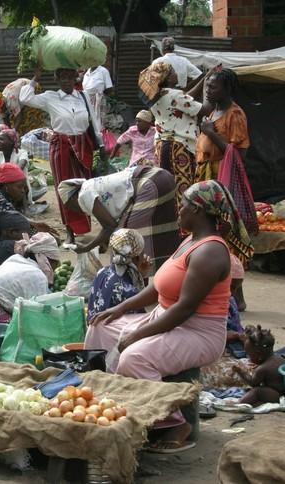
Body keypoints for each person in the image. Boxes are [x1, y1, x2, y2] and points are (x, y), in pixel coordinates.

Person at [85, 180, 254, 452]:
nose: (179, 209)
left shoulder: (210, 251)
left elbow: (184, 308)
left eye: (184, 204)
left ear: (198, 210)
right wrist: (120, 308)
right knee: (100, 328)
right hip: (167, 317)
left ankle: (174, 424)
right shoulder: (189, 241)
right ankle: (119, 400)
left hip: (197, 332)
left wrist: (135, 336)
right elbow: (158, 286)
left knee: (134, 356)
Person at [20, 67, 107, 238]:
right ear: (57, 80)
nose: (66, 80)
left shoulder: (83, 97)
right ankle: (69, 230)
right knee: (64, 187)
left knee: (85, 186)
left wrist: (102, 145)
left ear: (75, 78)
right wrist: (35, 78)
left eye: (69, 76)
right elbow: (25, 98)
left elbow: (94, 121)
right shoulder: (50, 97)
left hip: (83, 146)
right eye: (62, 77)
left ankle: (85, 224)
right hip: (61, 146)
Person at [57, 166, 179, 270]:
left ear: (72, 198)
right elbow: (114, 222)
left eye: (69, 205)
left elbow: (110, 227)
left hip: (150, 183)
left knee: (125, 240)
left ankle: (132, 286)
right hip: (164, 178)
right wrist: (101, 243)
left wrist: (86, 247)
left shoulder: (84, 194)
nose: (73, 210)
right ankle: (169, 274)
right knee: (161, 232)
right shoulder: (92, 186)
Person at [138, 62, 210, 213]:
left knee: (166, 188)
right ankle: (184, 229)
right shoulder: (174, 95)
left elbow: (184, 98)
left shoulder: (156, 95)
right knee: (182, 189)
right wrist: (208, 87)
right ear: (167, 77)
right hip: (178, 147)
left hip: (161, 146)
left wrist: (203, 79)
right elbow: (204, 109)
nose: (176, 74)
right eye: (173, 72)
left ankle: (168, 224)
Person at [195, 68, 250, 182]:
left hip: (222, 176)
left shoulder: (235, 115)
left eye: (213, 87)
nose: (207, 91)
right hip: (206, 174)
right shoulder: (214, 111)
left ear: (227, 89)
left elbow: (239, 156)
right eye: (207, 86)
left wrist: (210, 133)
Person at [87, 229, 151, 324]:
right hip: (116, 337)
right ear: (137, 257)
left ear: (113, 251)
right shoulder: (129, 292)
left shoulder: (101, 272)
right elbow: (140, 324)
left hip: (95, 333)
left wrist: (141, 275)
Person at [233, 325, 285, 406]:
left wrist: (240, 372)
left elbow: (253, 383)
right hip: (280, 391)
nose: (249, 358)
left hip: (277, 394)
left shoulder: (262, 369)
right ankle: (259, 403)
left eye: (249, 355)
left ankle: (240, 403)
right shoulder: (280, 358)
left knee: (257, 391)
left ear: (259, 355)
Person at [0, 127, 32, 206]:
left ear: (11, 142)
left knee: (17, 182)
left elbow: (18, 170)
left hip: (20, 191)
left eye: (1, 139)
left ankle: (24, 207)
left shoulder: (22, 153)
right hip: (4, 191)